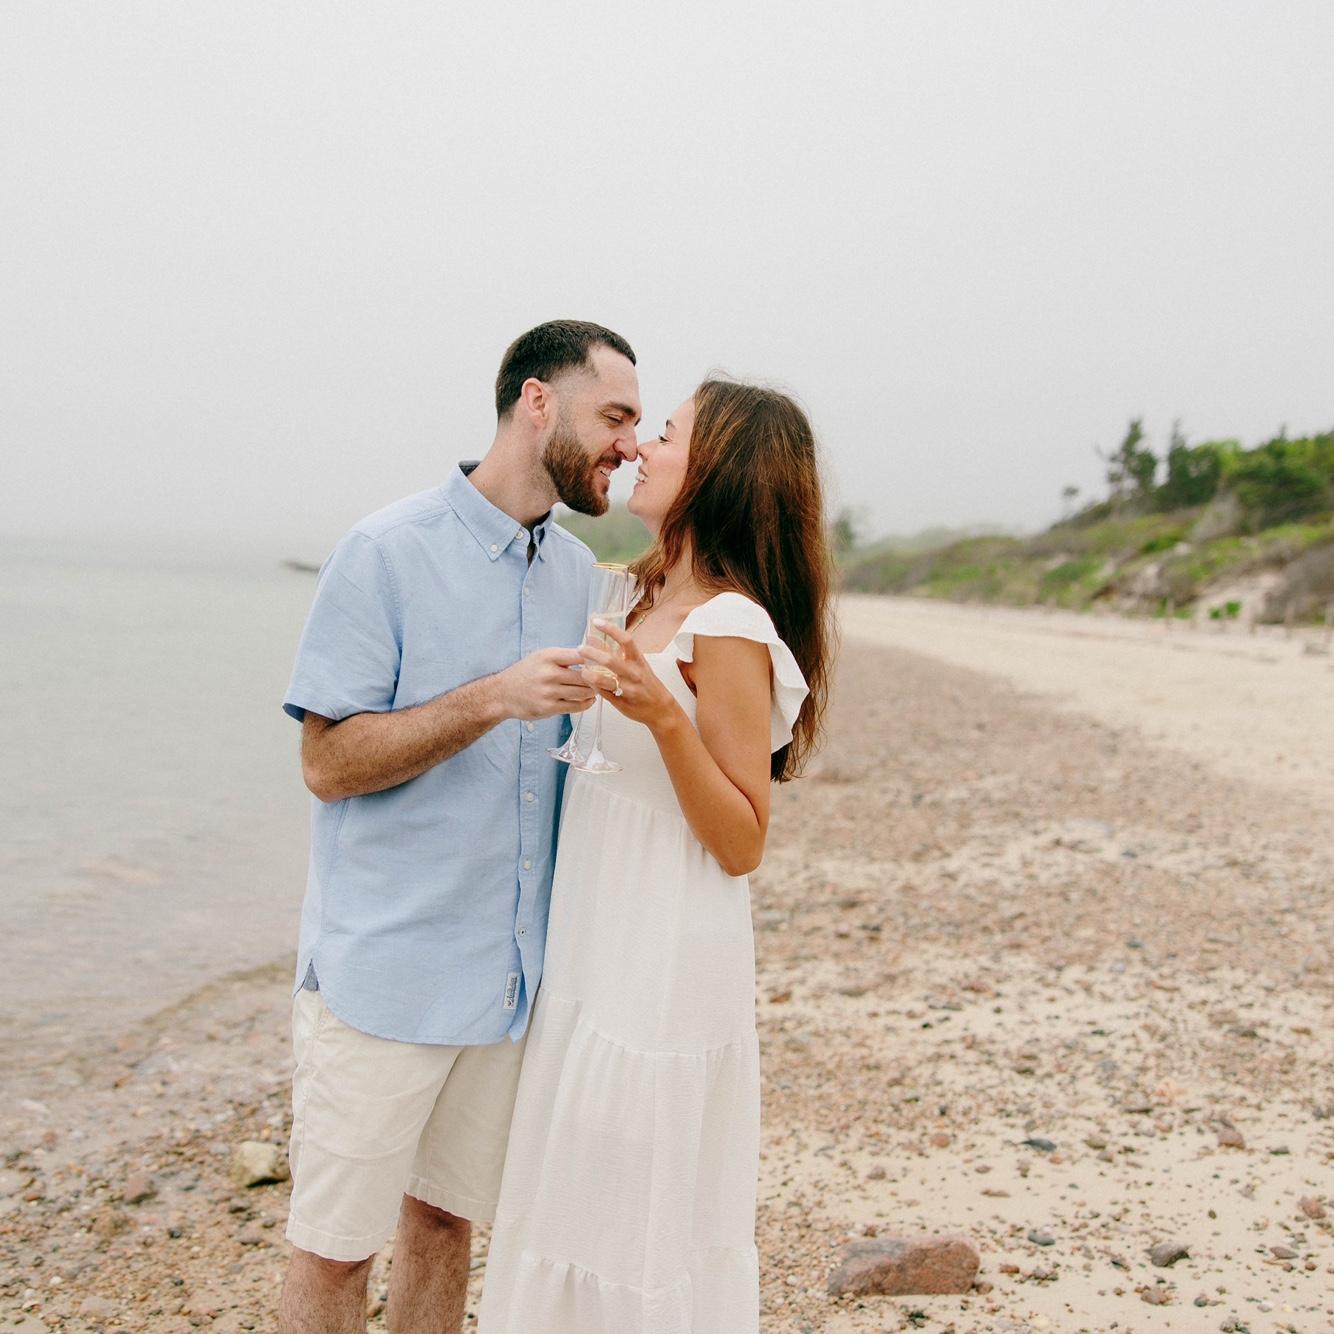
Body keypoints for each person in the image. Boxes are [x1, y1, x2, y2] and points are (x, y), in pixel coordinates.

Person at [276, 320, 641, 1334]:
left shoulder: (578, 573)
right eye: (614, 416)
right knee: (335, 1252)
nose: (628, 443)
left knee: (444, 1224)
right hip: (384, 977)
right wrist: (491, 698)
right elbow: (326, 764)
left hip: (509, 982)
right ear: (537, 401)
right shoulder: (384, 551)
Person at [478, 378, 834, 1332]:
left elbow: (743, 839)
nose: (640, 448)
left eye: (665, 433)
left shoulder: (730, 625)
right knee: (567, 1198)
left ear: (717, 471)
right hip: (592, 948)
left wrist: (661, 720)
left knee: (633, 1218)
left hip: (663, 956)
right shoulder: (630, 597)